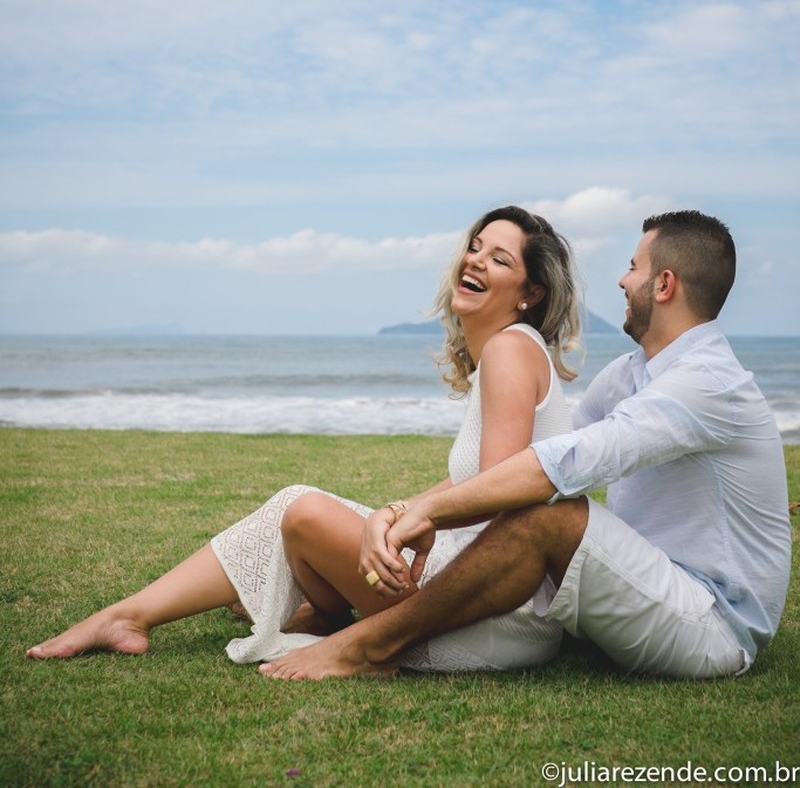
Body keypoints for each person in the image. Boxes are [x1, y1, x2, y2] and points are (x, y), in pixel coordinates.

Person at [27, 205, 582, 672]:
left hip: (490, 618)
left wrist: (399, 515)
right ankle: (283, 612)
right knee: (304, 522)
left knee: (301, 510)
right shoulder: (506, 353)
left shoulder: (511, 348)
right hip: (482, 601)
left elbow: (498, 488)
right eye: (477, 246)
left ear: (529, 291)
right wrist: (404, 511)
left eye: (499, 258)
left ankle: (131, 615)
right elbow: (473, 480)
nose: (476, 260)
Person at [260, 210, 791, 682]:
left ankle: (372, 644)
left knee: (551, 514)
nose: (622, 280)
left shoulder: (705, 383)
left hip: (712, 626)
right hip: (646, 586)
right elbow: (540, 451)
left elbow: (568, 464)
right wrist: (402, 510)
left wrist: (425, 511)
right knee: (539, 498)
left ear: (664, 285)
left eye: (633, 267)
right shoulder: (631, 374)